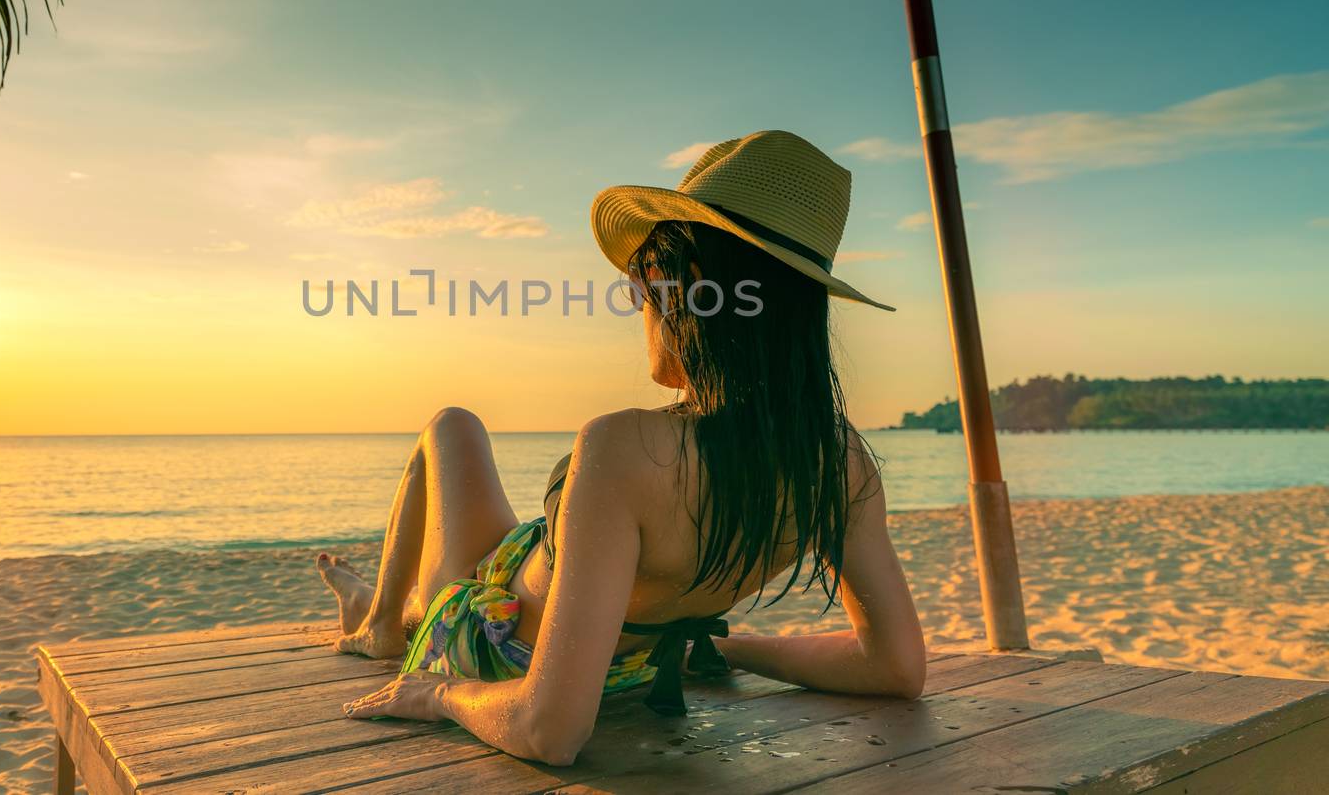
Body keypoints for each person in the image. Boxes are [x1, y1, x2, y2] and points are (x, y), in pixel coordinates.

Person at [315, 130, 924, 766]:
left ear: (684, 285)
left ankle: (383, 626)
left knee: (451, 426)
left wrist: (439, 694)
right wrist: (721, 647)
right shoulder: (839, 460)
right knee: (491, 519)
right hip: (629, 659)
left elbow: (548, 729)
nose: (637, 301)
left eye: (642, 280)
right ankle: (379, 609)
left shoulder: (626, 448)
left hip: (499, 642)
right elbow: (895, 667)